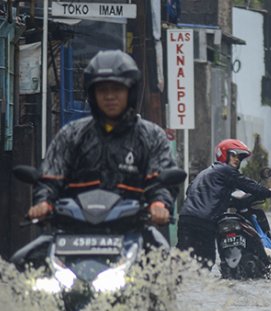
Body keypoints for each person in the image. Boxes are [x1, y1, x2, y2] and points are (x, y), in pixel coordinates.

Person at [28, 50, 176, 230]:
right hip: (72, 233)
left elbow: (160, 181)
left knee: (171, 258)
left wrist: (159, 204)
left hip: (135, 231)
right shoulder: (71, 134)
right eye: (102, 90)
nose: (110, 96)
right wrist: (43, 202)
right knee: (23, 257)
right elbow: (50, 178)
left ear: (131, 92)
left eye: (117, 89)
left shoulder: (152, 136)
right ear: (92, 94)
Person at [177, 139, 271, 268]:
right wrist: (269, 192)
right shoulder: (226, 171)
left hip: (185, 219)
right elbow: (248, 184)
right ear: (224, 154)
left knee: (181, 258)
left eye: (240, 158)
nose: (237, 160)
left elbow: (191, 191)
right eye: (234, 155)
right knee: (206, 262)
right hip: (205, 222)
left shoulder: (205, 173)